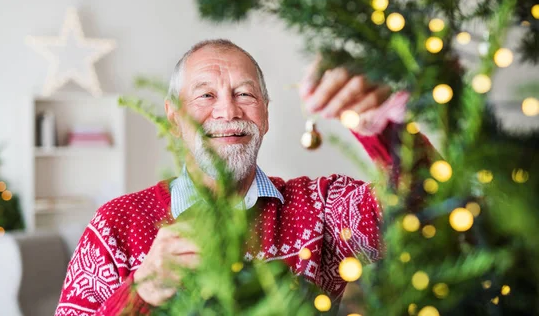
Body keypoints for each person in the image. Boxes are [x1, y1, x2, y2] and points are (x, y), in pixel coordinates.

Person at [55, 39, 427, 316]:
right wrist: (142, 292)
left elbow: (426, 207)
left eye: (244, 94)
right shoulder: (115, 225)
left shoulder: (322, 207)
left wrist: (380, 122)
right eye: (205, 95)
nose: (227, 110)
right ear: (173, 118)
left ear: (265, 115)